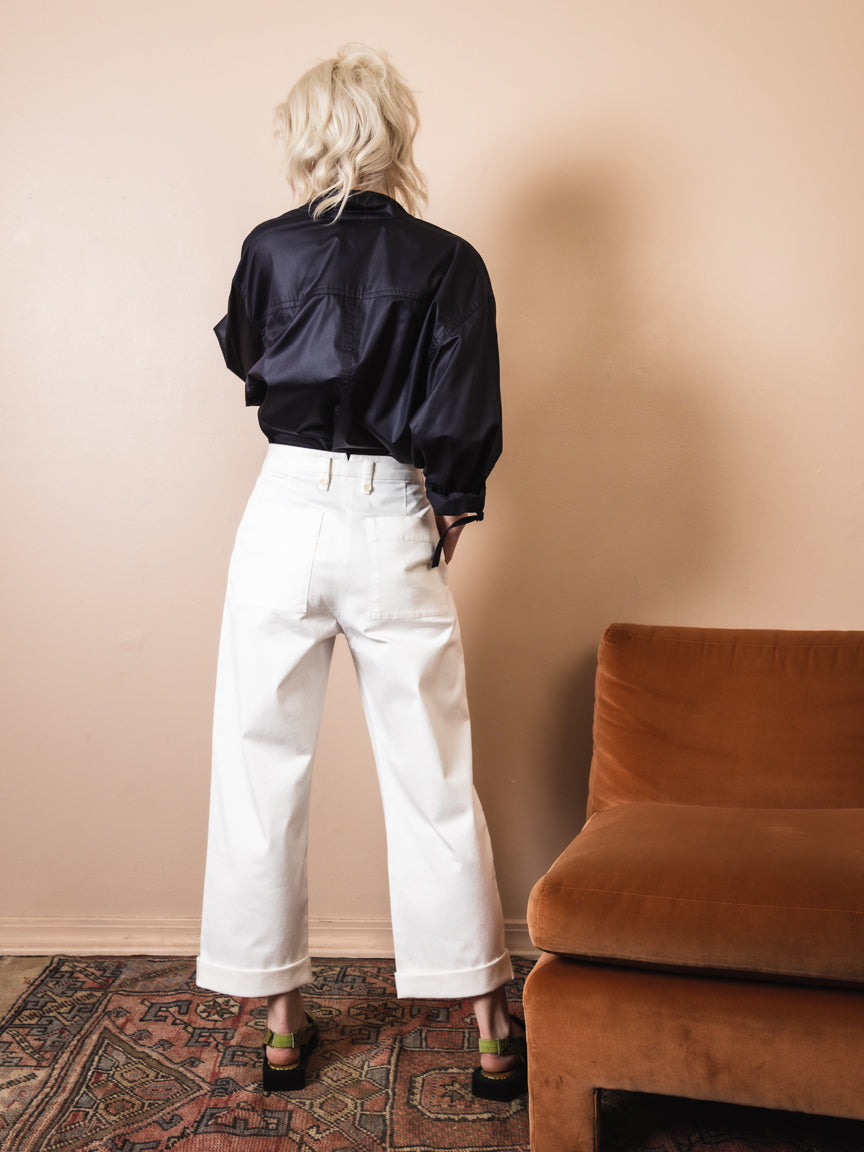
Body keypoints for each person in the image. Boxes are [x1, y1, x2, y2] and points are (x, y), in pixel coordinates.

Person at [197, 43, 524, 1101]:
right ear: (393, 135)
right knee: (433, 770)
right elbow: (462, 409)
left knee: (260, 763)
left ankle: (281, 1024)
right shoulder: (448, 261)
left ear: (308, 136)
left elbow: (248, 358)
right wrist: (452, 503)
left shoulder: (268, 248)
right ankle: (489, 1029)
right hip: (393, 508)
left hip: (284, 508)